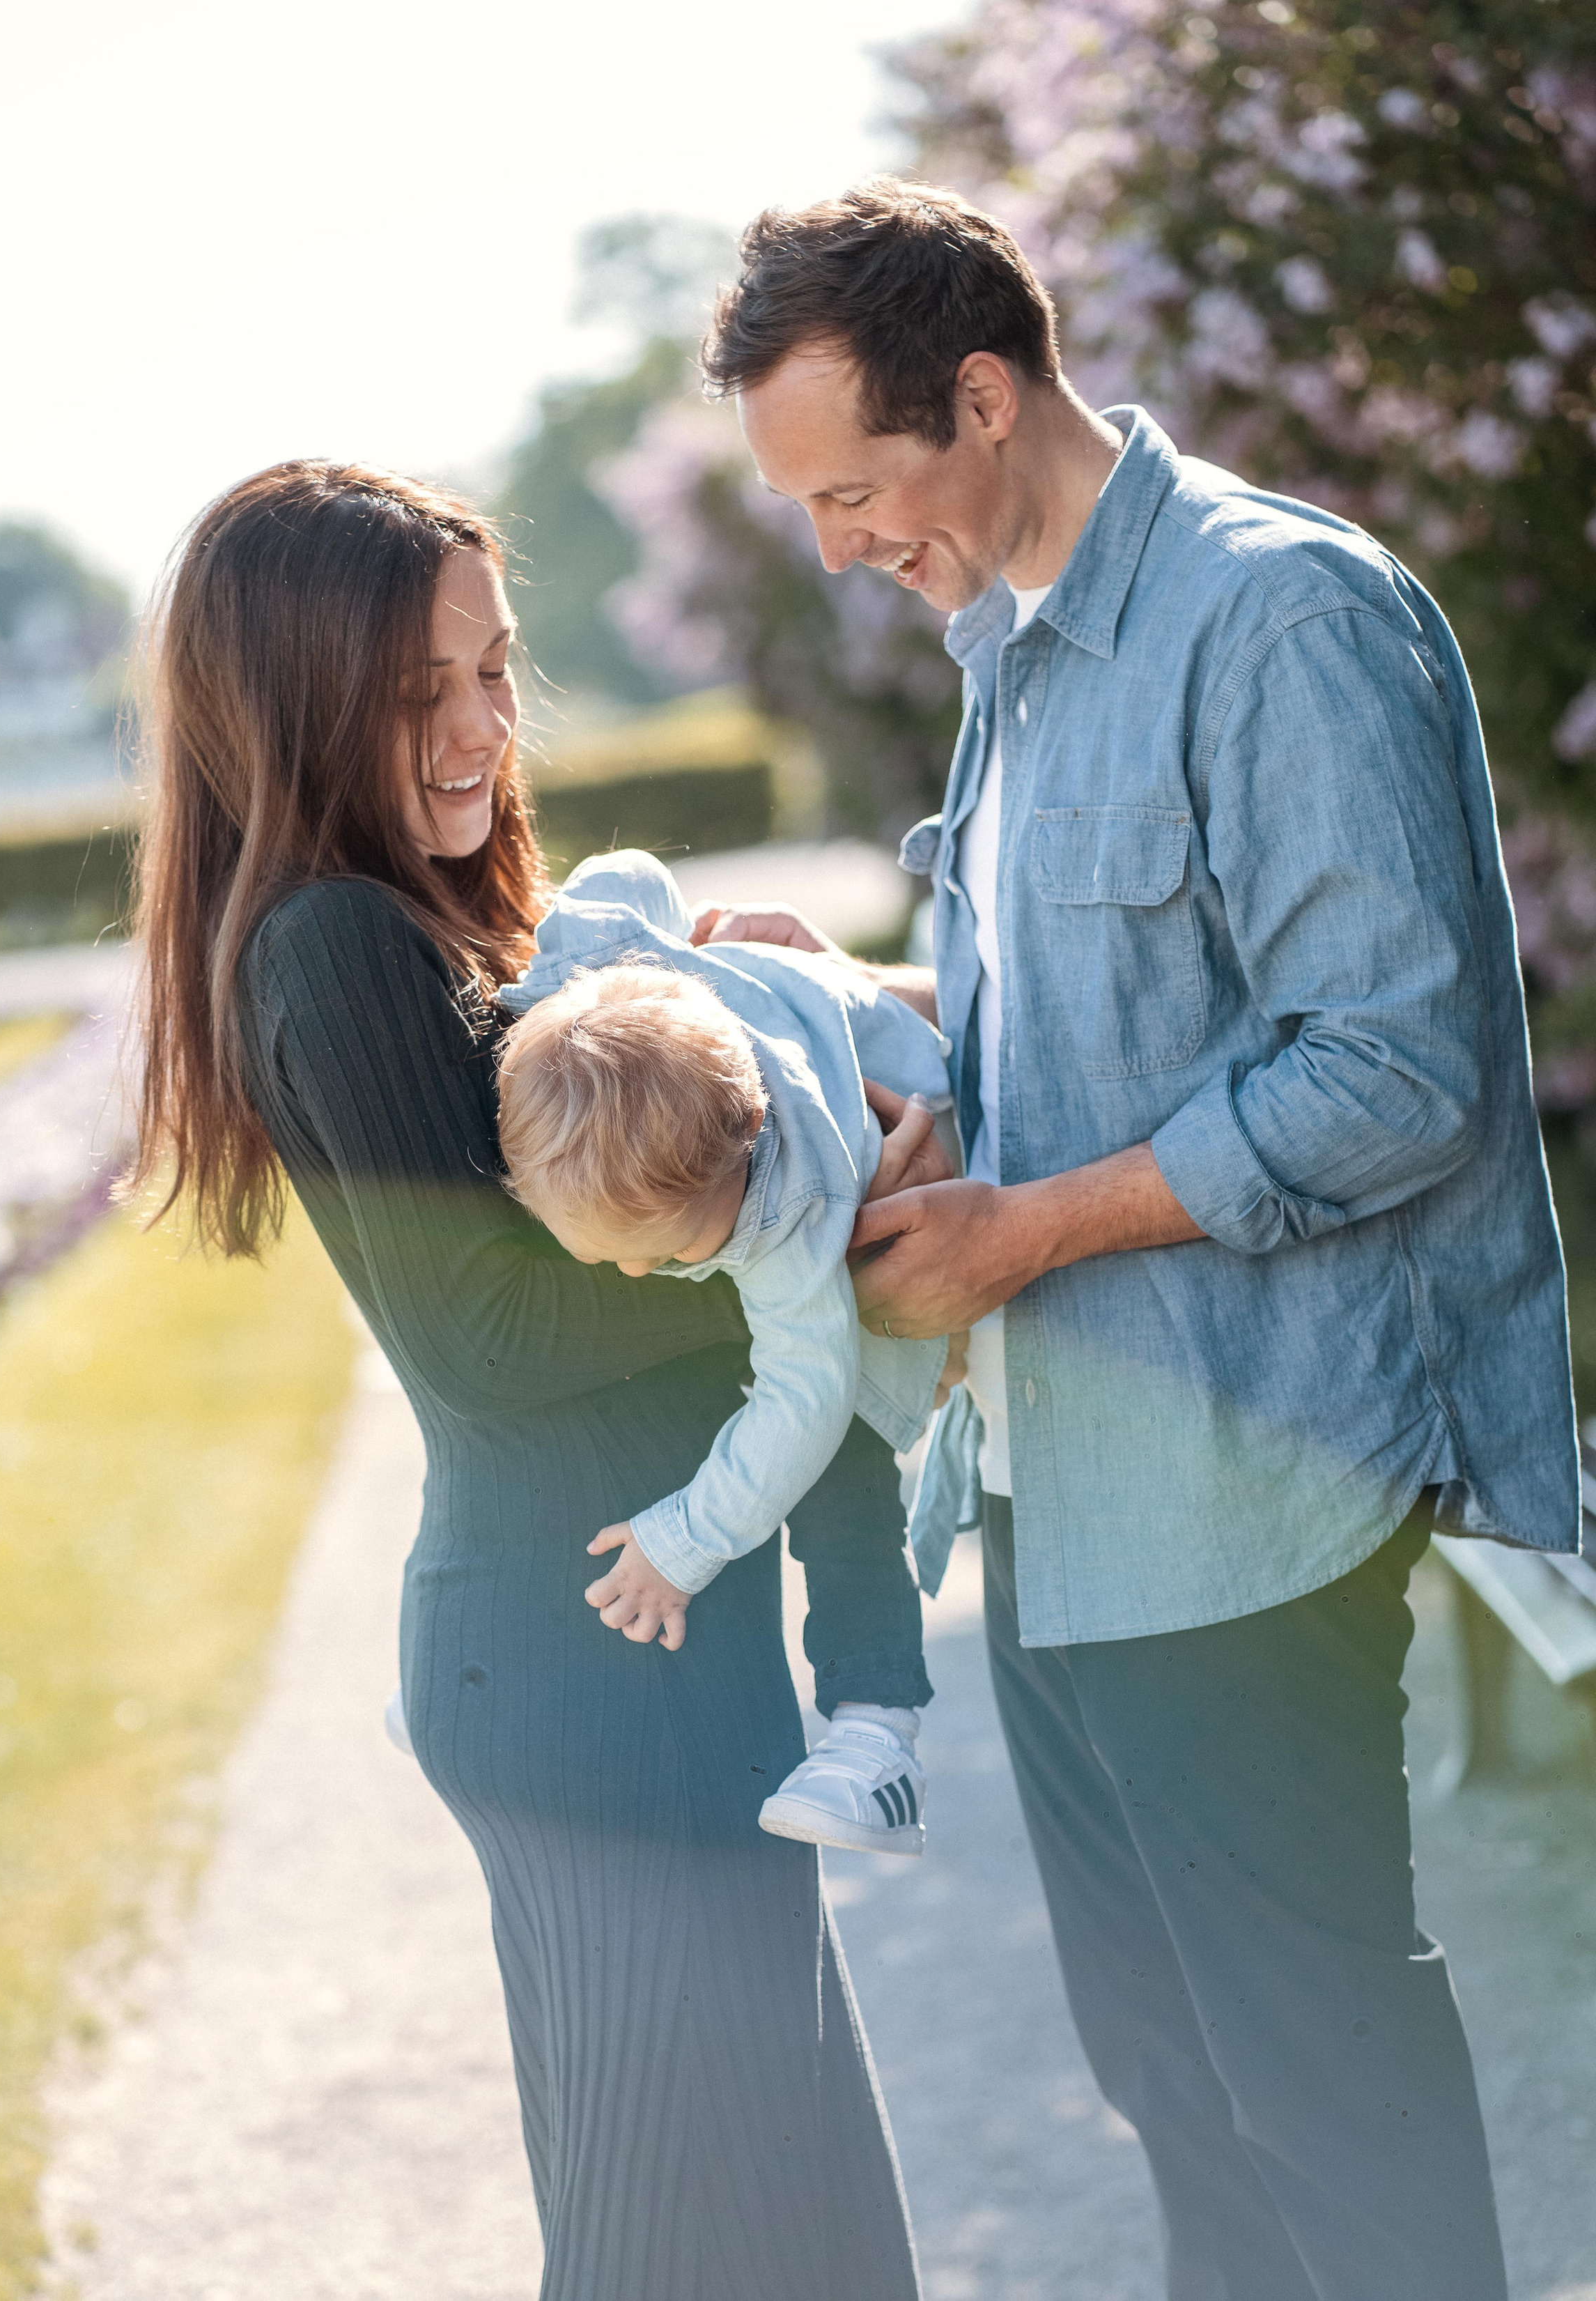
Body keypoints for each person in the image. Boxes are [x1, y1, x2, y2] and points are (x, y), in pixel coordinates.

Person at [695, 178, 1581, 2301]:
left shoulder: (1280, 621)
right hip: (1058, 1504)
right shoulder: (1012, 646)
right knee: (1182, 2094)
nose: (839, 547)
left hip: (1244, 1498)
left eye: (856, 489)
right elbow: (1104, 1034)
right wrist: (865, 1007)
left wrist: (1026, 1231)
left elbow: (1394, 1069)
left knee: (1322, 2096)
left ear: (984, 396)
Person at [127, 459, 929, 2301]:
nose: (485, 727)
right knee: (673, 2236)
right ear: (299, 708)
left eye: (495, 671)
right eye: (423, 692)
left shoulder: (437, 921)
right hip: (580, 1677)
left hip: (643, 1658)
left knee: (798, 2221)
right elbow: (482, 1337)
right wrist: (804, 1249)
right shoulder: (334, 944)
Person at [494, 845, 954, 1855]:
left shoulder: (792, 1207)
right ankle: (506, 1656)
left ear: (745, 1147)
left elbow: (805, 1404)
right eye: (608, 1252)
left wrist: (684, 1542)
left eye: (667, 1253)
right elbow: (623, 877)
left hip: (921, 1137)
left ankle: (877, 1735)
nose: (632, 1273)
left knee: (839, 1456)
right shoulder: (598, 972)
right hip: (754, 1026)